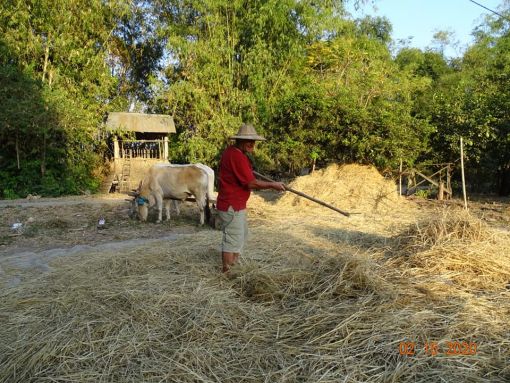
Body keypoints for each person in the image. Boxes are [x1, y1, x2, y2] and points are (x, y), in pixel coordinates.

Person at [217, 123, 286, 273]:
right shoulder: (236, 156)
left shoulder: (234, 153)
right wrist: (273, 185)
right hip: (232, 205)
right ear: (239, 140)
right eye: (248, 140)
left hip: (236, 204)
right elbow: (251, 183)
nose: (252, 144)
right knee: (233, 239)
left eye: (253, 141)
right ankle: (227, 272)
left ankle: (233, 266)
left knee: (240, 236)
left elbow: (245, 175)